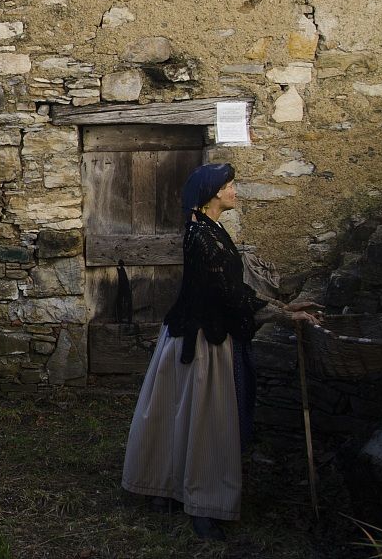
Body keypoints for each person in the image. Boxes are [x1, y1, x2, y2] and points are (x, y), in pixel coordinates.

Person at [121, 163, 319, 540]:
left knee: (183, 416)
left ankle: (170, 489)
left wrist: (281, 305)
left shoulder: (212, 230)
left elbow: (232, 285)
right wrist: (278, 312)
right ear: (213, 193)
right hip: (200, 341)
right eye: (229, 186)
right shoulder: (199, 236)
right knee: (206, 421)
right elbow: (223, 292)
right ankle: (201, 502)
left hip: (207, 335)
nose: (234, 191)